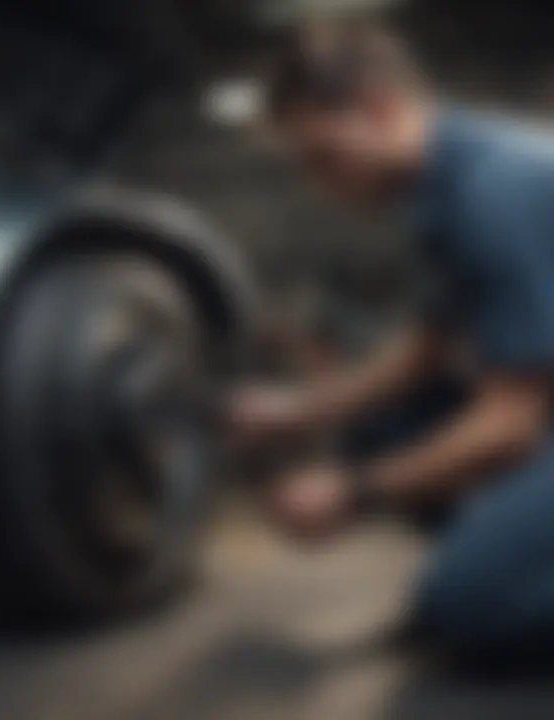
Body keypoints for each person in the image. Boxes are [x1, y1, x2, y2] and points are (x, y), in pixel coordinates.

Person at [230, 19, 554, 667]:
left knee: (468, 608)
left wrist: (355, 493)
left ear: (378, 108)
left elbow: (513, 422)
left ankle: (497, 574)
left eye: (323, 157)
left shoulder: (493, 190)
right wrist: (297, 414)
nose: (317, 184)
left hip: (530, 415)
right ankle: (509, 545)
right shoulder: (445, 183)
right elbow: (428, 348)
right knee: (380, 429)